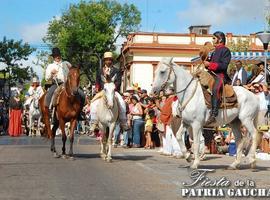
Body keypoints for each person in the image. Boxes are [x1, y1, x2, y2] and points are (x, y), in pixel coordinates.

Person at [90, 51, 127, 131]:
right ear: (104, 61)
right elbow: (97, 81)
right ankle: (94, 122)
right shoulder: (100, 71)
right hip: (103, 91)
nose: (108, 61)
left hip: (113, 90)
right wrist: (97, 87)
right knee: (93, 103)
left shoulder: (117, 71)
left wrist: (113, 87)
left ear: (112, 61)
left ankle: (123, 122)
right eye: (107, 59)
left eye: (110, 59)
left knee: (122, 102)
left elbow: (119, 81)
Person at [44, 47, 85, 119]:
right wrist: (51, 73)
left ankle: (80, 112)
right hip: (57, 84)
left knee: (82, 94)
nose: (57, 57)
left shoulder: (66, 63)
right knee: (49, 94)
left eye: (58, 55)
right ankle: (50, 111)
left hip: (68, 84)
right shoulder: (50, 66)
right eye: (55, 55)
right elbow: (46, 78)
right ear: (53, 57)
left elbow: (73, 71)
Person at [203, 31, 231, 125]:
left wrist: (210, 64)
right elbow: (209, 63)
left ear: (220, 39)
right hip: (211, 74)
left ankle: (214, 114)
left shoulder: (225, 50)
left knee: (215, 88)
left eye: (214, 38)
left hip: (220, 75)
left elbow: (224, 66)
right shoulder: (213, 51)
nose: (212, 40)